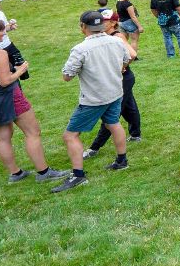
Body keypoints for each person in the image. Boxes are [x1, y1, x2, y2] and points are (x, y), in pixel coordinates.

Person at [0, 19, 68, 185]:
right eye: (1, 31)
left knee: (3, 138)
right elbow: (5, 81)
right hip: (9, 96)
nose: (4, 33)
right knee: (33, 132)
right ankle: (44, 172)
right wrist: (20, 70)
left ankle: (15, 174)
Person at [53, 11, 131, 193]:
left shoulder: (80, 49)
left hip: (94, 99)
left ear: (83, 27)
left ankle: (78, 176)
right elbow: (126, 60)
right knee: (113, 123)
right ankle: (122, 161)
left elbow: (67, 76)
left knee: (70, 135)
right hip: (115, 92)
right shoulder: (117, 41)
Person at [84, 10, 141, 159]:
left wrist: (122, 67)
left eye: (105, 20)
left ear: (113, 22)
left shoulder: (117, 36)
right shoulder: (105, 36)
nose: (101, 23)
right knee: (129, 105)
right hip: (122, 78)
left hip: (122, 78)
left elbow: (133, 55)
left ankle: (94, 147)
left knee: (111, 114)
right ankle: (136, 134)